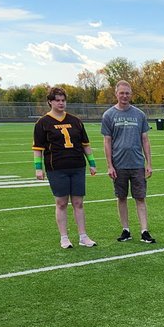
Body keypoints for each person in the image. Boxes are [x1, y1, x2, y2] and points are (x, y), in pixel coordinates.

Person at [32, 86, 97, 249]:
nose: (61, 103)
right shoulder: (42, 123)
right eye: (57, 100)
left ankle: (83, 236)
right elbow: (38, 149)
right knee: (61, 202)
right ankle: (64, 237)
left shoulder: (75, 121)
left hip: (77, 165)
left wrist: (92, 163)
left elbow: (85, 144)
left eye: (63, 100)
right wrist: (38, 169)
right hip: (56, 167)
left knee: (78, 202)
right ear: (50, 102)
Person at [101, 79, 156, 244]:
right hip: (119, 165)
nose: (124, 96)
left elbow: (145, 139)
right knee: (122, 197)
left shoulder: (139, 114)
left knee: (140, 198)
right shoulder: (109, 115)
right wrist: (110, 165)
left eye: (127, 93)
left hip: (137, 163)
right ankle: (126, 229)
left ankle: (144, 230)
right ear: (116, 94)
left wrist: (149, 163)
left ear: (131, 94)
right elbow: (107, 142)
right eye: (121, 93)